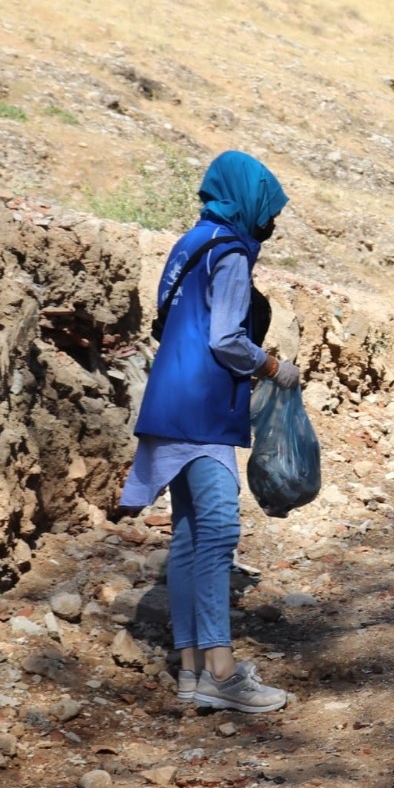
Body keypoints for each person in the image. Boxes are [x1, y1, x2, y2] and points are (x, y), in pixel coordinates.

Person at [119, 150, 298, 714]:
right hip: (201, 409)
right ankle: (223, 672)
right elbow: (225, 338)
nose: (268, 224)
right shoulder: (231, 253)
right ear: (249, 202)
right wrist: (273, 367)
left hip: (167, 402)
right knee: (219, 531)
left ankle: (192, 671)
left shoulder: (191, 243)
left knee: (191, 534)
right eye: (267, 211)